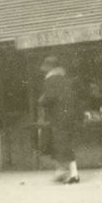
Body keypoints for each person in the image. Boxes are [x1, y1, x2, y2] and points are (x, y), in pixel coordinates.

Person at [38, 56, 80, 184]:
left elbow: (50, 98)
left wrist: (41, 101)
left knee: (62, 144)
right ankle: (61, 171)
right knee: (61, 143)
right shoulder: (64, 79)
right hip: (68, 115)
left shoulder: (50, 80)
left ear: (50, 69)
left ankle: (74, 174)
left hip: (58, 116)